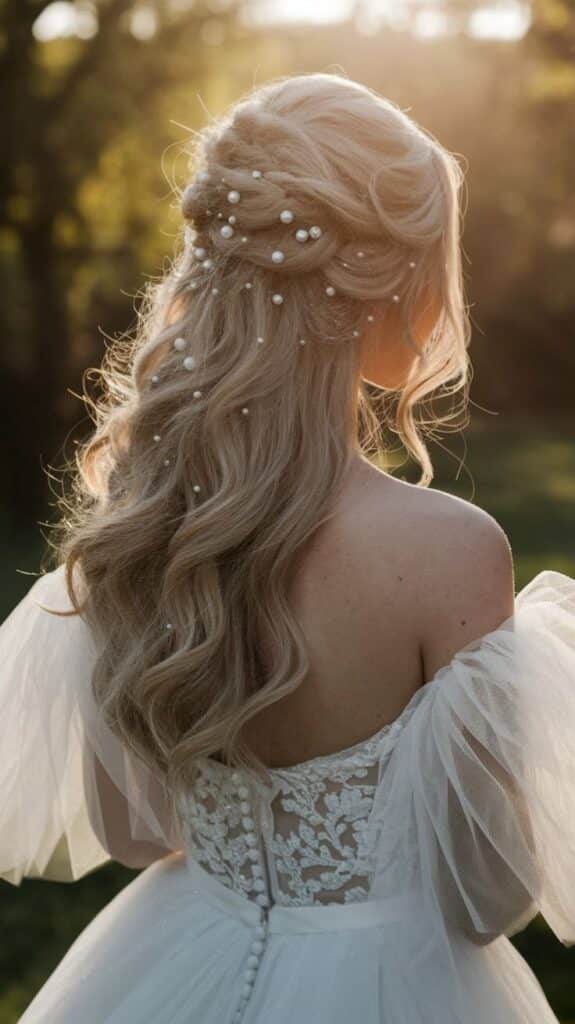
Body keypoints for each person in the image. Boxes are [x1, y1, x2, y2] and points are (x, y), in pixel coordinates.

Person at [1, 71, 574, 1024]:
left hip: (175, 959)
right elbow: (489, 898)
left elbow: (137, 836)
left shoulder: (140, 529)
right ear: (389, 281)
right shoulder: (450, 551)